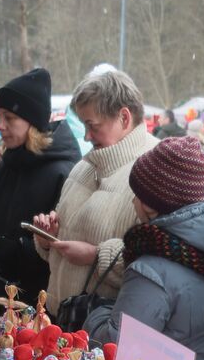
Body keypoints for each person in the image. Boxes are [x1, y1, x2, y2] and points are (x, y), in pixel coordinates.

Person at [87, 137, 204, 360]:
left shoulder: (151, 270)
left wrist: (96, 314)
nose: (132, 200)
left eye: (137, 194)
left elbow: (116, 346)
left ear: (150, 207)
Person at [32, 67, 158, 316]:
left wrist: (97, 256)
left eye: (92, 125)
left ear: (124, 117)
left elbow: (159, 262)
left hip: (106, 333)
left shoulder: (155, 168)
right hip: (62, 322)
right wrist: (49, 238)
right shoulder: (83, 167)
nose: (87, 136)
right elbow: (60, 250)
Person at [0, 67, 81, 299]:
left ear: (33, 122)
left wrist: (7, 249)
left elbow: (60, 249)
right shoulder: (3, 168)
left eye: (9, 117)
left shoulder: (63, 173)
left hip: (38, 307)